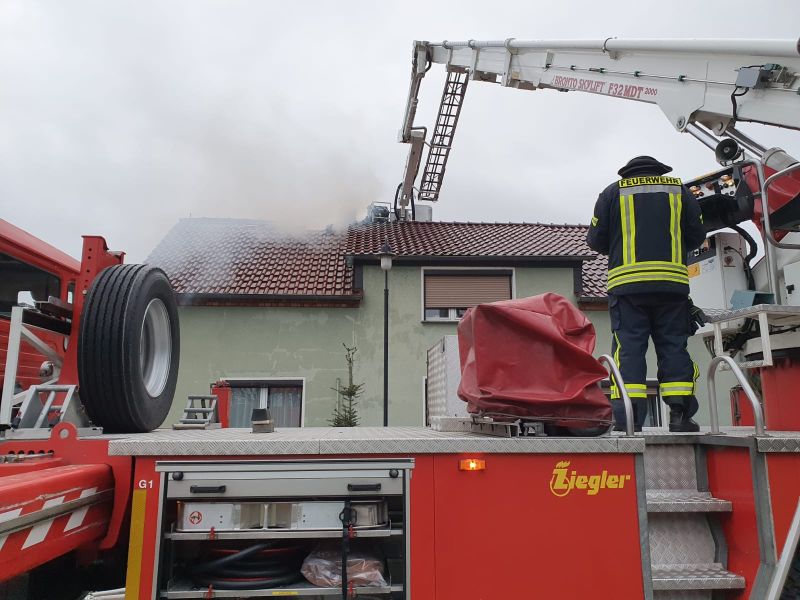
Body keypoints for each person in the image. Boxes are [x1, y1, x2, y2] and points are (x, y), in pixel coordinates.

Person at [587, 156, 706, 432]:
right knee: (674, 347)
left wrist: (618, 247)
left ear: (627, 173)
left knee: (628, 351)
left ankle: (630, 418)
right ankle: (679, 416)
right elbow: (697, 234)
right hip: (671, 285)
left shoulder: (612, 192)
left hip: (627, 287)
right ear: (661, 172)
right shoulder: (679, 190)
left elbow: (595, 240)